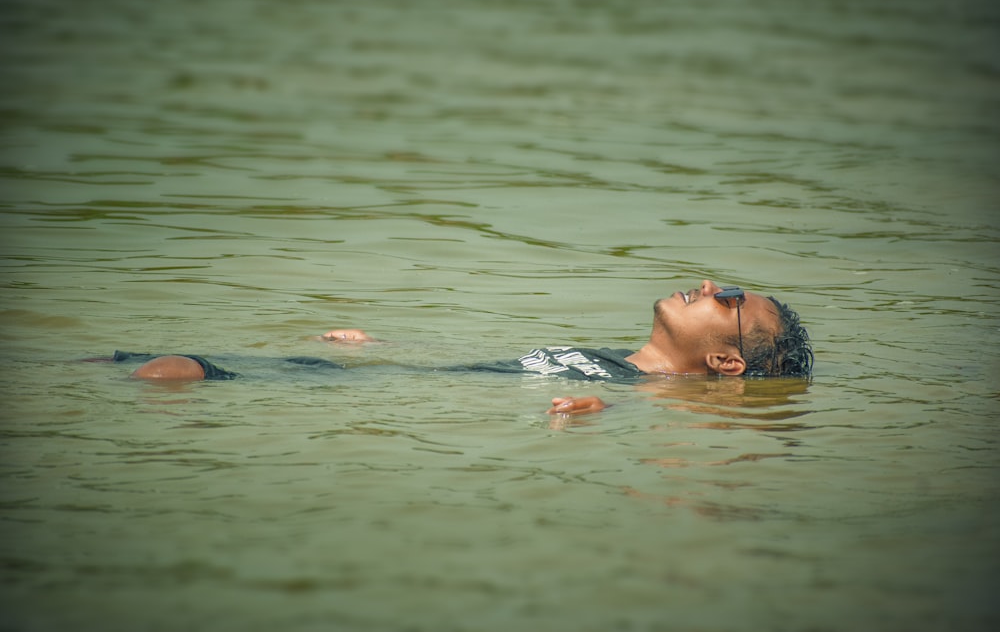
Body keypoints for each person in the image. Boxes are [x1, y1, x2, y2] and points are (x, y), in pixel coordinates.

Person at [117, 280, 814, 417]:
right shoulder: (614, 356)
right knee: (126, 363)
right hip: (356, 376)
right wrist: (384, 343)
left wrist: (592, 407)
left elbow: (619, 409)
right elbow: (486, 360)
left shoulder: (635, 387)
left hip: (342, 395)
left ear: (726, 362)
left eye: (731, 300)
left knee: (174, 370)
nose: (709, 284)